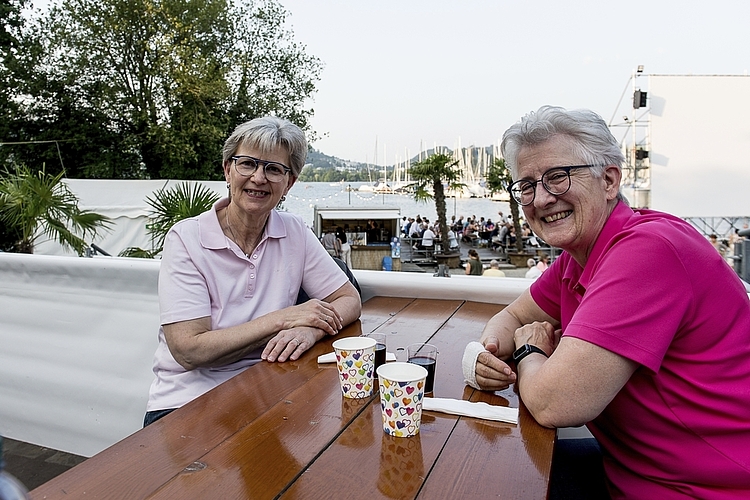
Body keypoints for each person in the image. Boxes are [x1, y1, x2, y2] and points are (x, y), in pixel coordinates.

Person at [471, 106, 750, 498]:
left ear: (609, 180)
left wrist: (529, 349)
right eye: (527, 185)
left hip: (709, 487)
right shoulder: (579, 257)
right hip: (632, 472)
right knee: (486, 478)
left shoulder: (649, 252)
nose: (542, 198)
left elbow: (556, 404)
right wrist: (490, 355)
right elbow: (512, 316)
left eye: (557, 177)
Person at [144, 117, 362, 426]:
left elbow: (349, 299)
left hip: (270, 384)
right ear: (228, 170)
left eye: (274, 169)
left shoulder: (294, 231)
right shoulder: (187, 238)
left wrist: (309, 330)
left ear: (289, 183)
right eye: (247, 164)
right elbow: (188, 350)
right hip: (187, 403)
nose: (258, 178)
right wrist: (283, 319)